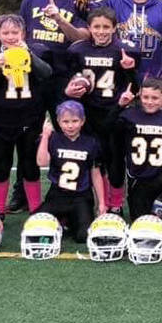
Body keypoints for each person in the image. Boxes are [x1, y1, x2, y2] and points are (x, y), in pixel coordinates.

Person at [12, 0, 91, 212]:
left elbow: (82, 37)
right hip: (33, 77)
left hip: (63, 78)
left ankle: (72, 191)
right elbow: (20, 32)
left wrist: (58, 19)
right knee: (28, 135)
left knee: (69, 133)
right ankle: (22, 192)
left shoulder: (80, 1)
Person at [0, 14, 53, 219]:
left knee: (30, 166)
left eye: (15, 32)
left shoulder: (36, 51)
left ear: (23, 33)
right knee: (1, 165)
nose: (10, 36)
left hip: (30, 119)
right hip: (1, 120)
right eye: (6, 32)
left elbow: (46, 74)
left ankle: (35, 209)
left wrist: (29, 56)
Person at [65, 7, 139, 214]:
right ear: (89, 28)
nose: (101, 31)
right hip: (88, 113)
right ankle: (100, 202)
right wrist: (69, 90)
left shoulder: (125, 49)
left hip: (116, 112)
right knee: (94, 160)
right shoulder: (77, 50)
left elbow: (136, 86)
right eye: (96, 26)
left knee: (115, 160)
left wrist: (130, 70)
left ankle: (116, 204)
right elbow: (69, 80)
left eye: (106, 27)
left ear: (115, 28)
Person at [114, 78, 162, 235]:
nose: (149, 102)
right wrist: (119, 106)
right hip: (139, 179)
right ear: (140, 96)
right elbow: (107, 127)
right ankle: (159, 207)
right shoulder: (129, 115)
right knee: (140, 224)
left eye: (155, 98)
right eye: (146, 97)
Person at [36, 101, 106, 243]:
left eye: (75, 121)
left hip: (81, 196)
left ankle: (67, 221)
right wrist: (45, 137)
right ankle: (64, 221)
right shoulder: (53, 139)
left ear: (82, 121)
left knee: (83, 236)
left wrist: (102, 203)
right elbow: (42, 162)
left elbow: (96, 174)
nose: (70, 125)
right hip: (57, 194)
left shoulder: (91, 143)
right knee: (38, 227)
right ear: (58, 122)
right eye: (65, 121)